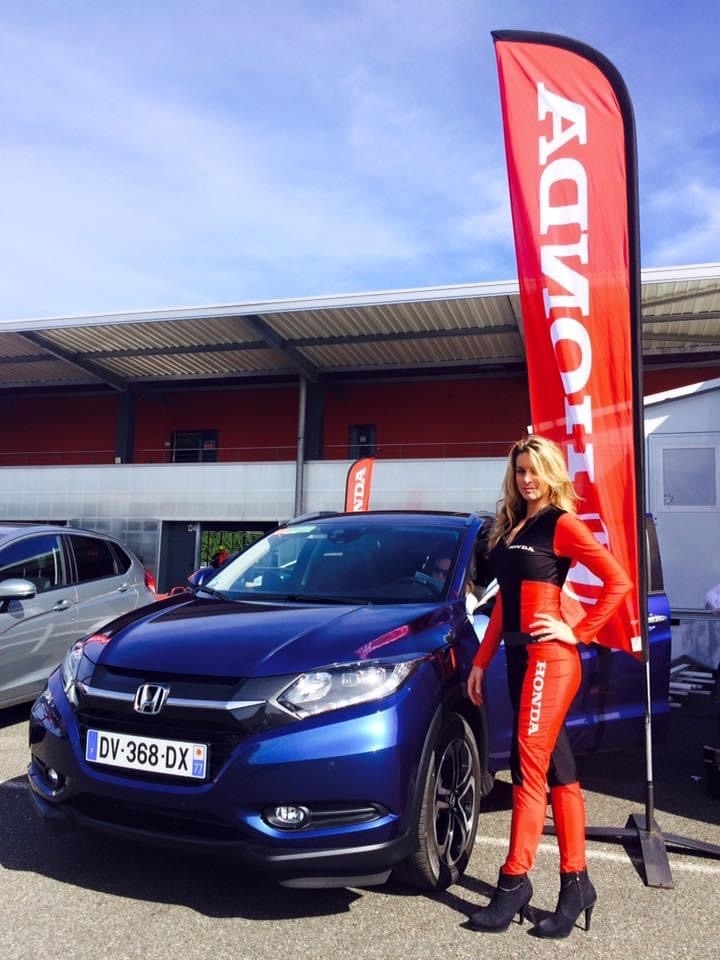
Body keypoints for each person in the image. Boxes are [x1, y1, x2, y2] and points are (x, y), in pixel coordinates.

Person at [466, 435, 632, 939]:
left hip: (549, 659)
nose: (527, 479)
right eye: (520, 471)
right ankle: (576, 883)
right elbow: (504, 602)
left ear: (551, 472)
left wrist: (578, 631)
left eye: (535, 470)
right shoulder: (511, 526)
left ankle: (513, 881)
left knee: (528, 769)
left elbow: (619, 581)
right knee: (559, 770)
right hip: (519, 657)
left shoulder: (561, 524)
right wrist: (480, 661)